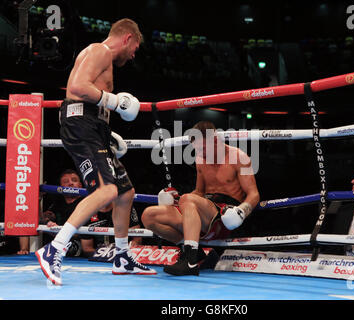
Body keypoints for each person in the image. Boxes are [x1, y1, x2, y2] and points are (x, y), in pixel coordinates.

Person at [36, 18, 155, 286]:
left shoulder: (105, 62)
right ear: (127, 38)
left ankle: (123, 256)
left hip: (94, 127)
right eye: (135, 47)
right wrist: (114, 101)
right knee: (107, 191)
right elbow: (77, 89)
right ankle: (55, 247)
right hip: (81, 125)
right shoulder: (99, 51)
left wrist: (108, 133)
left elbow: (92, 99)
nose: (134, 54)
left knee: (125, 192)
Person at [142, 121, 260, 275]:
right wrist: (175, 199)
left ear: (215, 140)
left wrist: (242, 211)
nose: (200, 152)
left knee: (187, 199)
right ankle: (195, 253)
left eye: (203, 148)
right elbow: (199, 192)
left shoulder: (238, 157)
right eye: (197, 149)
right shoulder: (200, 159)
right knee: (149, 215)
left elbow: (254, 194)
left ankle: (190, 262)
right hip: (204, 212)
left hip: (225, 215)